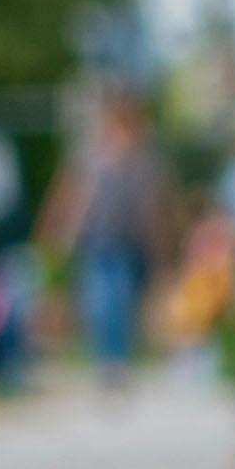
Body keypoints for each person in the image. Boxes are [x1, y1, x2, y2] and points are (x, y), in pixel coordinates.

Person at [56, 83, 173, 379]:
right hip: (95, 237)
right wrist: (68, 231)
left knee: (119, 299)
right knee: (97, 300)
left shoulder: (142, 156)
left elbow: (152, 202)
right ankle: (105, 358)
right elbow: (78, 193)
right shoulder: (94, 152)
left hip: (126, 239)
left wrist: (158, 243)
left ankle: (118, 358)